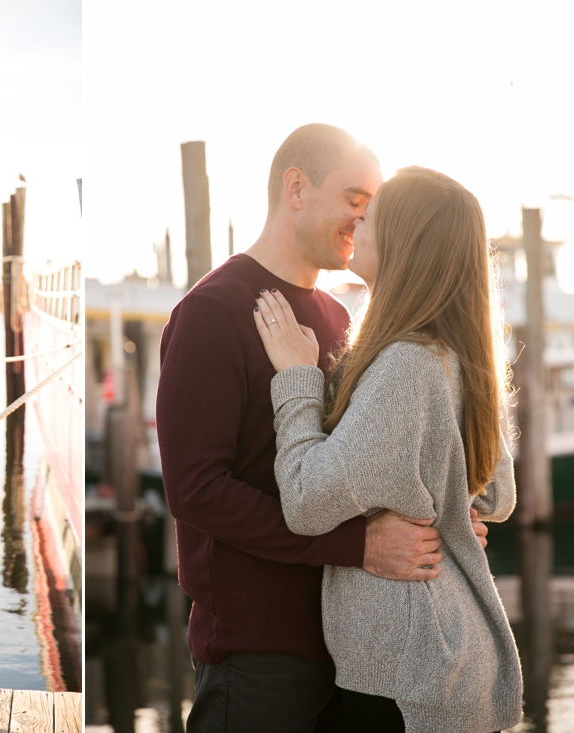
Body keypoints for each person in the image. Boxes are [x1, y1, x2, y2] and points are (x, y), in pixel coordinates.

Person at [156, 124, 490, 731]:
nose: (362, 223)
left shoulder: (343, 317)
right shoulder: (212, 311)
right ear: (296, 189)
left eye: (372, 210)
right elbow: (195, 489)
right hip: (261, 653)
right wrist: (355, 547)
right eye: (356, 201)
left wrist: (445, 516)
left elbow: (372, 462)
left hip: (357, 652)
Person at [253, 166, 521, 731]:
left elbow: (306, 501)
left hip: (406, 674)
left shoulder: (406, 363)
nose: (357, 219)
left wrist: (297, 380)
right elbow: (498, 495)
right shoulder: (456, 354)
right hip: (439, 659)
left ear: (404, 242)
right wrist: (455, 516)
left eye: (370, 216)